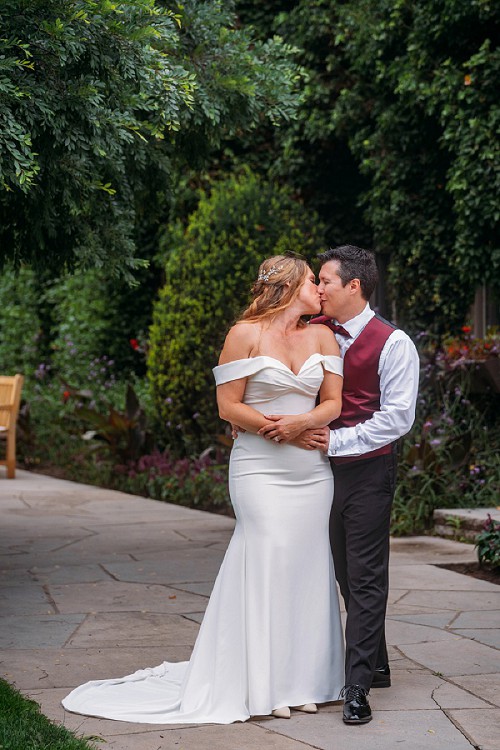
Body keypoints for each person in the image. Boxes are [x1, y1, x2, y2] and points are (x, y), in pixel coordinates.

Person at [62, 255, 345, 724]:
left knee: (307, 565)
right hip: (260, 468)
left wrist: (305, 422)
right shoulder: (245, 334)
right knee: (267, 556)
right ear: (290, 285)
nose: (320, 287)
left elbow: (332, 403)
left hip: (311, 474)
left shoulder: (322, 335)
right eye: (313, 280)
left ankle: (304, 680)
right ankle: (263, 682)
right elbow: (228, 406)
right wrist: (288, 431)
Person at [287, 245, 420, 725]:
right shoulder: (312, 331)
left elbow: (397, 418)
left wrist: (335, 441)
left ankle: (357, 686)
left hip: (366, 470)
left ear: (354, 287)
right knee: (343, 573)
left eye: (324, 280)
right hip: (315, 472)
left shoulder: (394, 343)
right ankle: (378, 662)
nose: (317, 289)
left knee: (364, 578)